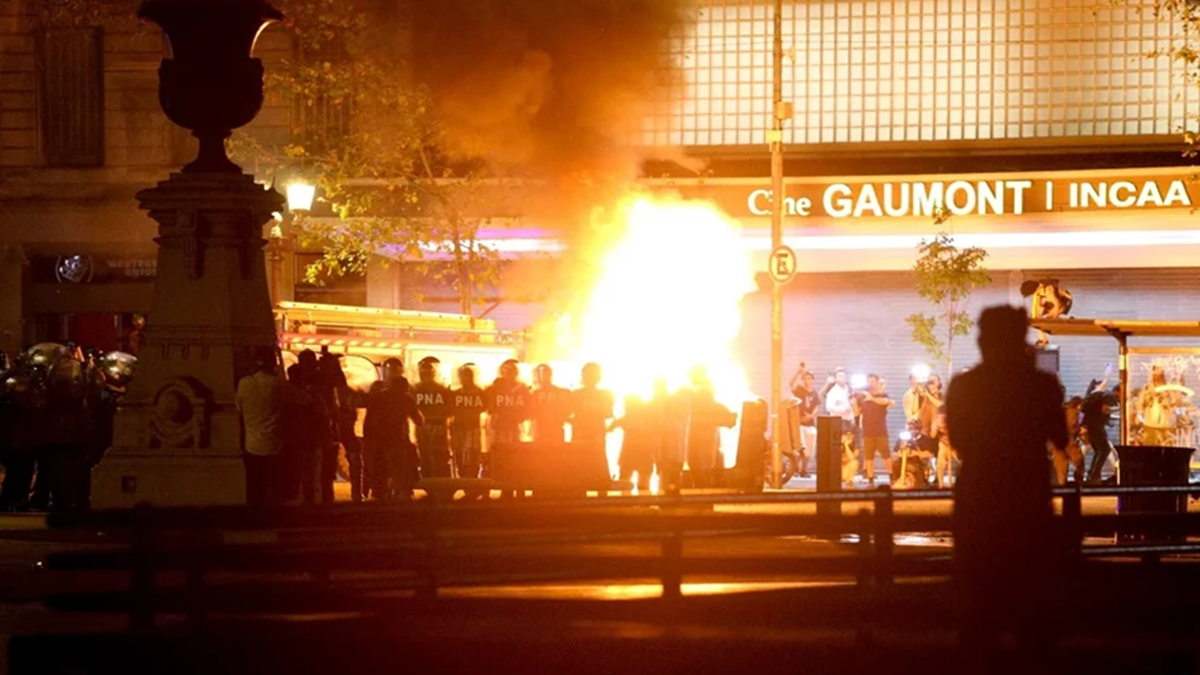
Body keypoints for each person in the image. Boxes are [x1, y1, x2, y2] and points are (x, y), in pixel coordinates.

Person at [945, 305, 1068, 671]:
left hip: (978, 507)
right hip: (1029, 507)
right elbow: (1059, 437)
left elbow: (961, 443)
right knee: (1033, 614)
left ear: (985, 341)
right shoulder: (1040, 386)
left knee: (978, 615)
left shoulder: (965, 386)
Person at [236, 347, 291, 506]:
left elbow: (239, 408)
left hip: (251, 445)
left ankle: (254, 516)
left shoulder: (244, 384)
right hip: (275, 445)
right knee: (274, 487)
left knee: (254, 485)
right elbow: (304, 399)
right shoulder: (278, 385)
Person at [363, 358, 423, 501]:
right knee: (406, 465)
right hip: (398, 440)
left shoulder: (378, 396)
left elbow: (369, 419)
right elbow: (419, 421)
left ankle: (378, 493)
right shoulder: (406, 399)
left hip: (379, 439)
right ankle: (403, 492)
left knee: (379, 469)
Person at [413, 356, 453, 478]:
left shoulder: (417, 389)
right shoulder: (442, 389)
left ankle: (437, 481)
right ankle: (433, 482)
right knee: (427, 455)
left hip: (434, 426)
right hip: (427, 426)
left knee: (437, 455)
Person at [857, 374, 894, 486]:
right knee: (869, 457)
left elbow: (885, 402)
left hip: (881, 431)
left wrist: (872, 398)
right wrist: (854, 402)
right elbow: (857, 412)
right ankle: (870, 479)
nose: (871, 383)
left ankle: (891, 476)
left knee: (886, 455)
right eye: (869, 381)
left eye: (873, 381)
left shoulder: (882, 395)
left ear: (878, 382)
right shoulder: (862, 397)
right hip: (867, 431)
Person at [451, 363, 486, 480]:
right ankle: (464, 477)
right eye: (462, 376)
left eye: (465, 376)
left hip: (472, 428)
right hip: (459, 428)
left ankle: (472, 479)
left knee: (472, 455)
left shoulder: (479, 393)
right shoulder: (456, 394)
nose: (463, 379)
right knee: (460, 455)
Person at [485, 359, 531, 447]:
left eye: (513, 371)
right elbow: (489, 408)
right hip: (498, 427)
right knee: (499, 451)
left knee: (514, 452)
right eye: (508, 371)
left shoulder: (522, 389)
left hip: (514, 427)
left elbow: (527, 410)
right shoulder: (493, 389)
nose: (510, 375)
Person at [569, 362, 614, 444]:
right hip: (583, 434)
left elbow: (609, 414)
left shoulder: (576, 394)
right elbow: (609, 414)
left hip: (594, 435)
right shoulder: (576, 394)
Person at [1083, 386, 1118, 484]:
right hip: (1096, 426)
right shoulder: (1111, 396)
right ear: (1118, 391)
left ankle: (1092, 475)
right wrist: (1119, 409)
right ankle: (1094, 475)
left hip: (1091, 425)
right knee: (1105, 449)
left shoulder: (1104, 394)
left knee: (1099, 450)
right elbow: (1105, 409)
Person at [788, 367, 819, 477]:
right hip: (799, 423)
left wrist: (812, 415)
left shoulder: (814, 392)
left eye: (809, 378)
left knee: (810, 448)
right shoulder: (799, 390)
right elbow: (791, 384)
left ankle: (804, 470)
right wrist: (797, 373)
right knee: (801, 447)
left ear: (812, 380)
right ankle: (795, 469)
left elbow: (817, 405)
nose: (807, 381)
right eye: (805, 378)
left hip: (810, 424)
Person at [529, 363, 570, 442]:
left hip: (549, 432)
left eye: (545, 373)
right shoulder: (533, 393)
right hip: (544, 433)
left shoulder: (534, 394)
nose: (543, 376)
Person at [1052, 395, 1086, 486]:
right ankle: (1078, 483)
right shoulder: (1074, 412)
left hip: (1056, 442)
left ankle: (1062, 486)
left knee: (1061, 466)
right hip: (1069, 442)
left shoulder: (1063, 410)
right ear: (1078, 405)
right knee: (1080, 462)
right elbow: (1071, 427)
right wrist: (1080, 430)